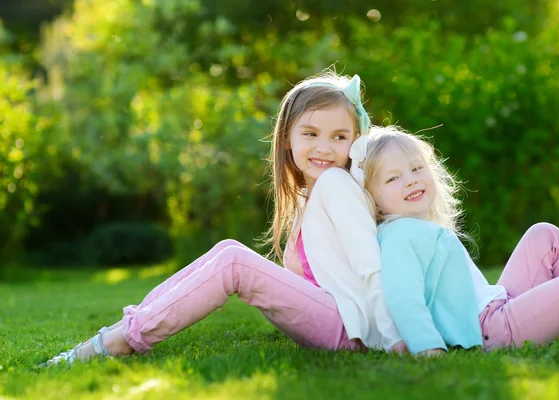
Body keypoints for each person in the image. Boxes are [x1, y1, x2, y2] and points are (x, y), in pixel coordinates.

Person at [44, 73, 406, 365]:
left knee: (234, 262)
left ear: (355, 143)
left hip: (352, 331)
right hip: (335, 321)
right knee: (229, 248)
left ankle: (121, 340)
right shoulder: (311, 196)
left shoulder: (337, 184)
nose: (324, 147)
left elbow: (370, 265)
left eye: (339, 136)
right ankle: (130, 324)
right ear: (286, 139)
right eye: (310, 133)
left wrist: (392, 338)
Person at [349, 125, 559, 356]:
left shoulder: (416, 228)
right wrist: (427, 346)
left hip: (496, 307)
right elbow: (403, 297)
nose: (411, 180)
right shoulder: (399, 234)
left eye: (416, 168)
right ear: (372, 199)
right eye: (393, 178)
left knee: (544, 236)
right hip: (492, 330)